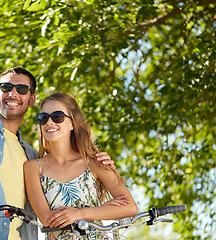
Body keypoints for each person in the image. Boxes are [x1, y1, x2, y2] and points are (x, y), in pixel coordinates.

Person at [0, 56, 116, 240]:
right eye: (6, 88)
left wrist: (98, 165)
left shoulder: (31, 156)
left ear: (31, 99)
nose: (13, 94)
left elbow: (63, 177)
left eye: (21, 89)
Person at [24, 92, 138, 240]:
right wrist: (101, 210)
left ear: (72, 123)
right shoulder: (33, 168)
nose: (49, 123)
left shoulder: (94, 162)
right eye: (43, 118)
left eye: (57, 116)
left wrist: (80, 214)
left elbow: (130, 207)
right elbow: (47, 219)